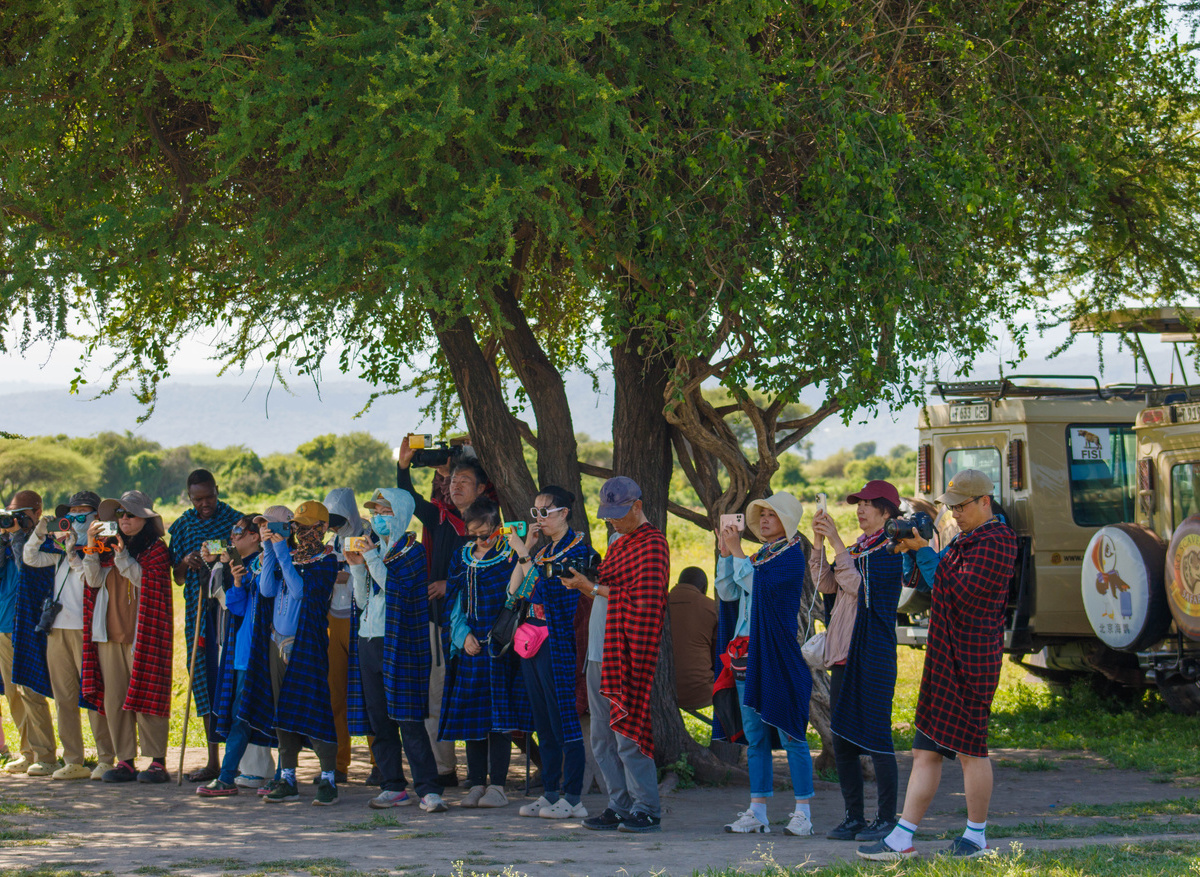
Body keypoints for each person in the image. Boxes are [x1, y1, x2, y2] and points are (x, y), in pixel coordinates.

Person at [858, 469, 1018, 861]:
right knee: (924, 749)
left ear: (984, 501)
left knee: (971, 750)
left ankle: (976, 837)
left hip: (972, 657)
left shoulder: (998, 541)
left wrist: (923, 550)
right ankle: (901, 838)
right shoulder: (966, 538)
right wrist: (910, 550)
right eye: (952, 507)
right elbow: (933, 582)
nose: (955, 515)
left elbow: (958, 589)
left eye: (961, 507)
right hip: (946, 654)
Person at [564, 476, 669, 834]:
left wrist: (590, 587)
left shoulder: (653, 544)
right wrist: (585, 585)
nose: (613, 521)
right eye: (608, 515)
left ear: (638, 506)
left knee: (627, 734)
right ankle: (619, 804)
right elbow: (611, 592)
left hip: (625, 650)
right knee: (600, 737)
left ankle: (647, 808)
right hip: (598, 648)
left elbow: (645, 601)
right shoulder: (617, 543)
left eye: (619, 514)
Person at [715, 491, 815, 837]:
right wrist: (726, 555)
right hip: (745, 656)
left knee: (791, 734)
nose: (765, 520)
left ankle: (803, 813)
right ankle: (757, 811)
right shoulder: (760, 555)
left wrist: (740, 553)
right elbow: (728, 592)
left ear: (787, 521)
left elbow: (758, 587)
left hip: (777, 655)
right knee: (755, 737)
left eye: (773, 515)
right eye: (763, 515)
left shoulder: (791, 556)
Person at [811, 481, 904, 842]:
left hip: (874, 654)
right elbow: (828, 585)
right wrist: (820, 543)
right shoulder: (859, 548)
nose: (860, 509)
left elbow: (859, 587)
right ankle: (853, 818)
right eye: (858, 503)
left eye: (867, 504)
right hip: (844, 656)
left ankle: (886, 819)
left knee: (879, 739)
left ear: (886, 511)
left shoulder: (889, 549)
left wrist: (835, 542)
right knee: (843, 739)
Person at [346, 488, 446, 813]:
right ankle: (392, 785)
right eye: (375, 511)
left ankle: (429, 790)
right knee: (380, 721)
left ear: (401, 513)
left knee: (408, 718)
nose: (377, 517)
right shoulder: (378, 552)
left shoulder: (411, 552)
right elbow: (364, 602)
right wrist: (358, 567)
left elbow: (398, 591)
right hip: (369, 639)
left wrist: (372, 558)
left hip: (400, 643)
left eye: (384, 511)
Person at [397, 439, 490, 786]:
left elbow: (495, 569)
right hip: (440, 622)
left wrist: (448, 585)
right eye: (453, 481)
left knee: (475, 698)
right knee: (436, 696)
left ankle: (483, 776)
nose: (456, 485)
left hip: (479, 626)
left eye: (464, 480)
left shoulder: (492, 524)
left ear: (482, 488)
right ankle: (444, 770)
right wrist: (403, 466)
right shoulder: (442, 517)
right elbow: (409, 502)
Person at [507, 486, 599, 820]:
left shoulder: (578, 549)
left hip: (560, 642)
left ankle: (573, 797)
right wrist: (527, 549)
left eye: (545, 511)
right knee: (542, 720)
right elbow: (515, 591)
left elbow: (547, 589)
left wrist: (523, 554)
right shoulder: (544, 551)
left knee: (565, 720)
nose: (539, 519)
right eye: (536, 512)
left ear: (564, 512)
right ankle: (549, 793)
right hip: (532, 641)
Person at [439, 498, 532, 808]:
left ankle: (499, 786)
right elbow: (453, 599)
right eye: (474, 534)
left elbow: (517, 595)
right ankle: (477, 782)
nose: (479, 540)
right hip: (469, 649)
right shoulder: (461, 558)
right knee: (472, 719)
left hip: (500, 648)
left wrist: (523, 548)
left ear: (497, 528)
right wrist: (461, 634)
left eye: (485, 533)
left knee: (499, 720)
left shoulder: (509, 557)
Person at [246, 502, 340, 805]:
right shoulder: (292, 556)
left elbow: (301, 591)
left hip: (305, 645)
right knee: (280, 709)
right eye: (296, 526)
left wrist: (283, 554)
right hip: (276, 642)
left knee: (315, 707)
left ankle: (328, 777)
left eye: (307, 526)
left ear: (323, 528)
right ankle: (287, 776)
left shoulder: (326, 559)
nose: (301, 532)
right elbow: (267, 590)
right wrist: (271, 550)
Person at [23, 490, 116, 780]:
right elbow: (30, 558)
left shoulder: (103, 545)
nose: (74, 519)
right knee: (64, 698)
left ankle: (106, 758)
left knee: (93, 694)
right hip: (57, 630)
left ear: (96, 517)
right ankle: (73, 760)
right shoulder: (61, 551)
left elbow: (91, 578)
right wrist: (39, 533)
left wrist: (78, 549)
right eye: (70, 514)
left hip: (86, 631)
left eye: (82, 513)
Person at [82, 491, 174, 783]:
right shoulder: (104, 546)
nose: (124, 521)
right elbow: (93, 580)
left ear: (145, 519)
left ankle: (157, 761)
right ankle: (126, 761)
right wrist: (91, 548)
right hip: (109, 633)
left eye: (130, 515)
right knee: (115, 699)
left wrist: (122, 555)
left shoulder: (156, 549)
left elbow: (144, 579)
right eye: (120, 515)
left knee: (148, 693)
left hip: (143, 634)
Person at [168, 469, 243, 782]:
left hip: (230, 609)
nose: (205, 504)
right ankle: (212, 760)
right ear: (190, 497)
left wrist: (224, 557)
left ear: (217, 490)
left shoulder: (234, 520)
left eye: (209, 496)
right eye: (198, 499)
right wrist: (188, 561)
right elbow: (177, 576)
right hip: (198, 613)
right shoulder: (184, 525)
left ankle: (235, 762)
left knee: (232, 679)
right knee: (204, 679)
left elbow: (246, 555)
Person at [200, 514, 276, 797]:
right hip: (243, 650)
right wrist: (235, 581)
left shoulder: (272, 561)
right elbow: (237, 607)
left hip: (267, 650)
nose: (232, 536)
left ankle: (280, 776)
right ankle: (230, 775)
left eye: (239, 531)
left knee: (273, 715)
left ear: (257, 536)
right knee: (240, 716)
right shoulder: (246, 565)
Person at [0, 492, 57, 775]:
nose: (17, 519)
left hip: (27, 624)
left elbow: (27, 570)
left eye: (22, 513)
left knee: (31, 690)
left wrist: (17, 537)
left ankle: (46, 756)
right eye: (12, 513)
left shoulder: (45, 542)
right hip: (3, 625)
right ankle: (28, 752)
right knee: (13, 694)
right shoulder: (7, 540)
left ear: (38, 511)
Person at [321, 487, 364, 785]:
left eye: (337, 519)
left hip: (361, 621)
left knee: (368, 695)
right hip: (334, 621)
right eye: (329, 520)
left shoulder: (368, 535)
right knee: (335, 695)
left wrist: (346, 572)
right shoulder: (329, 542)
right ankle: (339, 764)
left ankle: (378, 763)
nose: (334, 525)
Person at [668, 567, 717, 711]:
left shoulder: (657, 604)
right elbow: (716, 657)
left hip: (661, 690)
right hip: (701, 692)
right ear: (704, 588)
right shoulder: (711, 607)